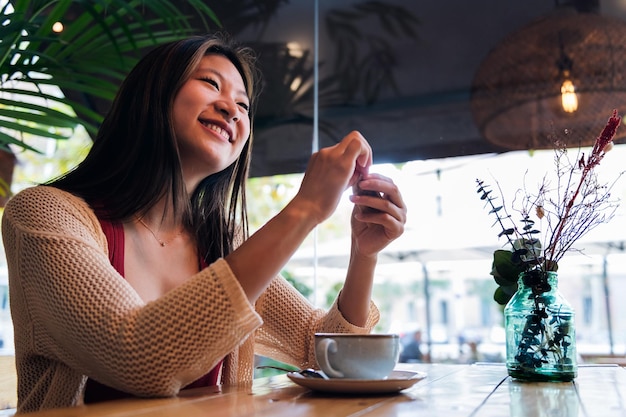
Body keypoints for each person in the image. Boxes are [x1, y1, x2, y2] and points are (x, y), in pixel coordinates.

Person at [1, 33, 406, 413]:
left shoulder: (221, 243)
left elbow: (324, 351)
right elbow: (139, 357)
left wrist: (363, 254)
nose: (232, 108)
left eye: (244, 105)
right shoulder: (43, 215)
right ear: (154, 95)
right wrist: (303, 210)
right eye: (211, 84)